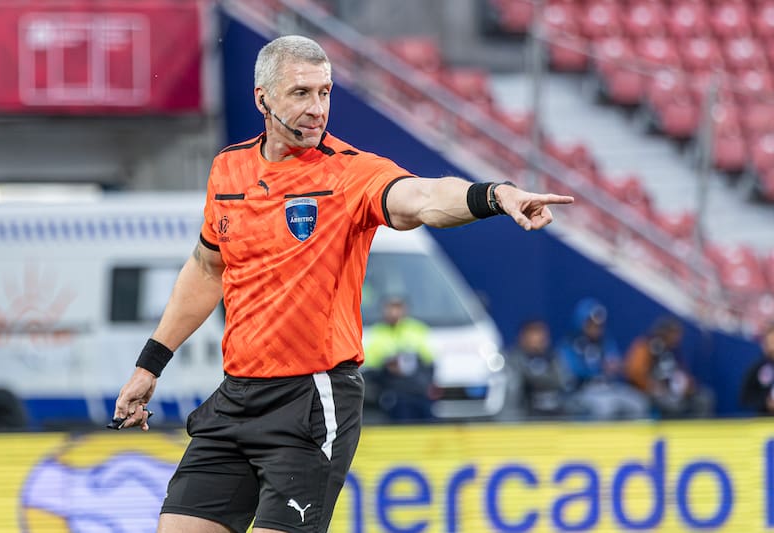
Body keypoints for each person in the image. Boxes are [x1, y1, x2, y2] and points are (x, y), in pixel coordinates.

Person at [111, 34, 573, 533]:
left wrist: (494, 194)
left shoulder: (349, 174)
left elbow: (423, 198)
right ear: (262, 98)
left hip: (310, 399)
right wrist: (150, 365)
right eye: (301, 93)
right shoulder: (229, 168)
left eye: (325, 92)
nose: (317, 109)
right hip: (237, 397)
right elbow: (207, 269)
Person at [556, 298, 649, 420]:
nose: (596, 328)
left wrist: (617, 366)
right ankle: (600, 439)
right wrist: (598, 368)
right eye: (591, 324)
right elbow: (569, 373)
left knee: (639, 403)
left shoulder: (606, 342)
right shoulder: (568, 345)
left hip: (608, 388)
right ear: (581, 322)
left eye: (599, 325)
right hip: (582, 390)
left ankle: (631, 439)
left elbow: (614, 363)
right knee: (605, 407)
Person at [362, 296, 437, 422]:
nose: (394, 312)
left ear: (405, 310)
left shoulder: (417, 329)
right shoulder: (377, 332)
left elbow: (429, 361)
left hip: (417, 390)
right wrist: (387, 366)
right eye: (390, 308)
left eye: (397, 308)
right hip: (392, 391)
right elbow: (370, 366)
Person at [625, 316, 713, 418]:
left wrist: (688, 387)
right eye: (675, 333)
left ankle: (696, 432)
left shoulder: (674, 351)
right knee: (672, 405)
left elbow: (682, 374)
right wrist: (653, 387)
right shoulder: (645, 346)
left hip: (672, 391)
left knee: (704, 398)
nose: (678, 338)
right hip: (652, 392)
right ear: (665, 332)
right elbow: (635, 372)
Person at [505, 318, 568, 418]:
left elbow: (563, 381)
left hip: (556, 413)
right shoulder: (512, 359)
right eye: (533, 334)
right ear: (523, 337)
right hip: (524, 413)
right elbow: (518, 385)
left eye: (542, 334)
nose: (539, 339)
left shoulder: (553, 358)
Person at [740, 322, 774, 415]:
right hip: (764, 421)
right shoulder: (758, 368)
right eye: (770, 342)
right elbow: (745, 397)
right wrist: (765, 402)